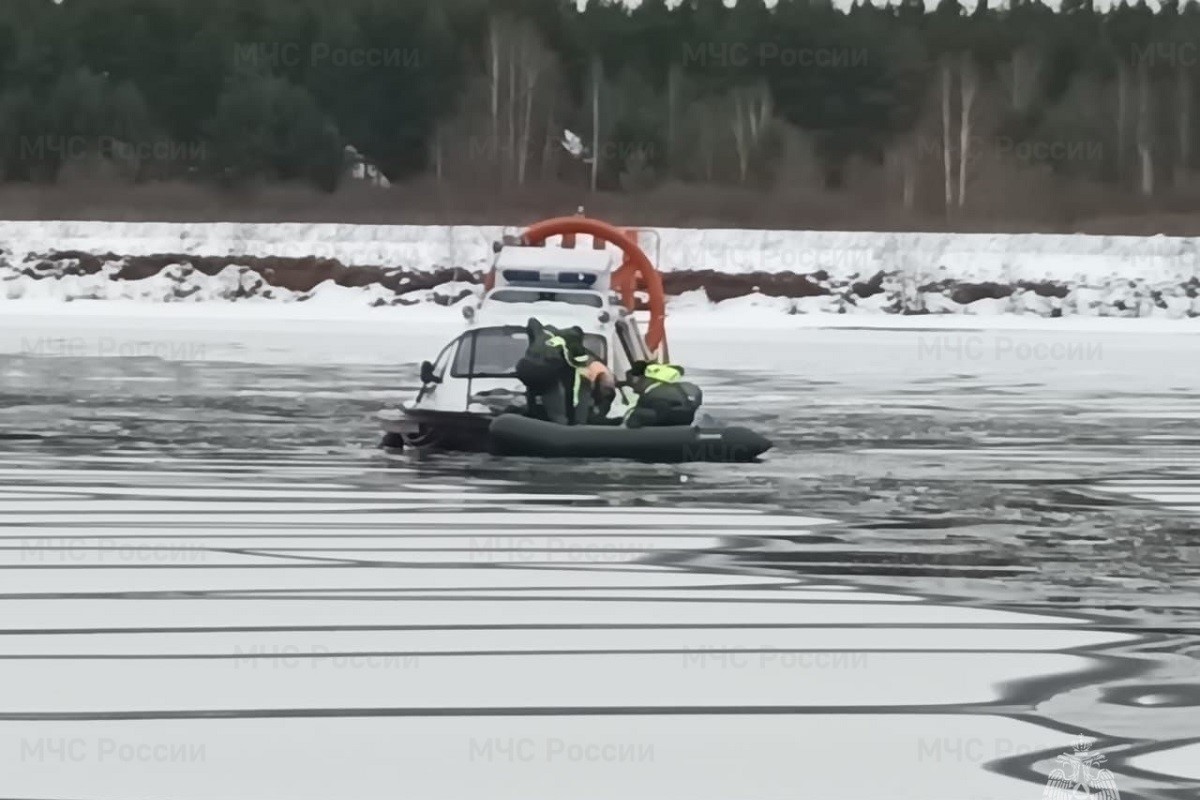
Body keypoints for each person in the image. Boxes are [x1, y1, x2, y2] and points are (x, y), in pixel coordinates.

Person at [514, 318, 590, 424]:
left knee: (535, 385)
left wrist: (532, 341)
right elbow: (577, 367)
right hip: (545, 370)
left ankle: (531, 411)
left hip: (524, 367)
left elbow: (532, 321)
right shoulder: (573, 339)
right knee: (570, 385)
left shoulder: (545, 332)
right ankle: (565, 422)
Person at [622, 360, 703, 428]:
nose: (631, 385)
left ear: (644, 378)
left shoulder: (651, 396)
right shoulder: (681, 390)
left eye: (632, 380)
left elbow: (633, 422)